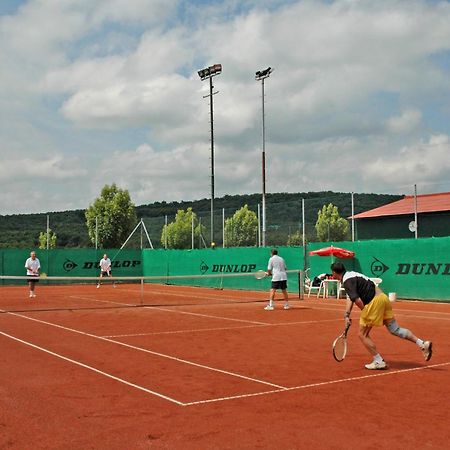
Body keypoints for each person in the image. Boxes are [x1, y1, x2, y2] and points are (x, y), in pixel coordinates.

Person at [330, 262, 432, 370]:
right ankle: (422, 344)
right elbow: (350, 298)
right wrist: (347, 315)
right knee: (395, 329)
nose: (332, 276)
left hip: (374, 302)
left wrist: (366, 312)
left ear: (334, 272)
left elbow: (357, 300)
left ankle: (379, 361)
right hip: (383, 298)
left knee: (362, 334)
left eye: (332, 274)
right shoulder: (352, 275)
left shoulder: (347, 281)